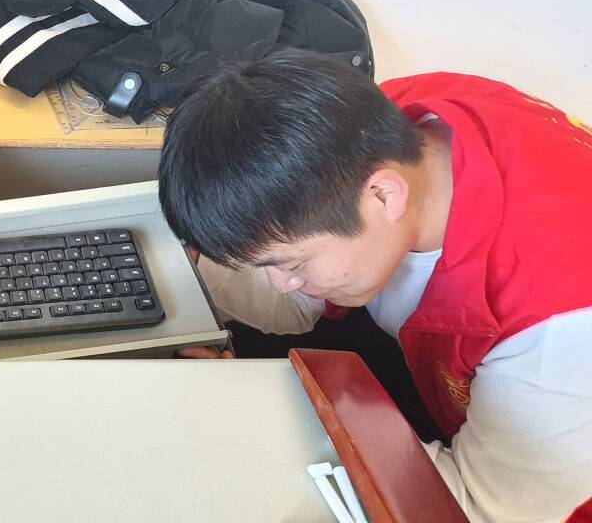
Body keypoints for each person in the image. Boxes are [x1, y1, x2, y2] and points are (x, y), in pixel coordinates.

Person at [157, 49, 592, 522]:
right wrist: (170, 282)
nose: (281, 284)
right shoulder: (387, 121)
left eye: (292, 263)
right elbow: (296, 298)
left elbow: (465, 511)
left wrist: (265, 417)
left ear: (385, 195)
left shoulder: (559, 327)